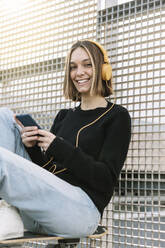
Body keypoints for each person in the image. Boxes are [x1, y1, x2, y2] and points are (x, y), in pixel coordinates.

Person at [0, 40, 131, 239]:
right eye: (73, 67)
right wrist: (33, 147)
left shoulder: (117, 116)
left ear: (103, 70)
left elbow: (105, 179)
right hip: (45, 207)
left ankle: (6, 210)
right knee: (3, 116)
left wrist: (58, 146)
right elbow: (48, 172)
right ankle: (8, 209)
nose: (79, 72)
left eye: (87, 65)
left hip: (81, 212)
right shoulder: (64, 116)